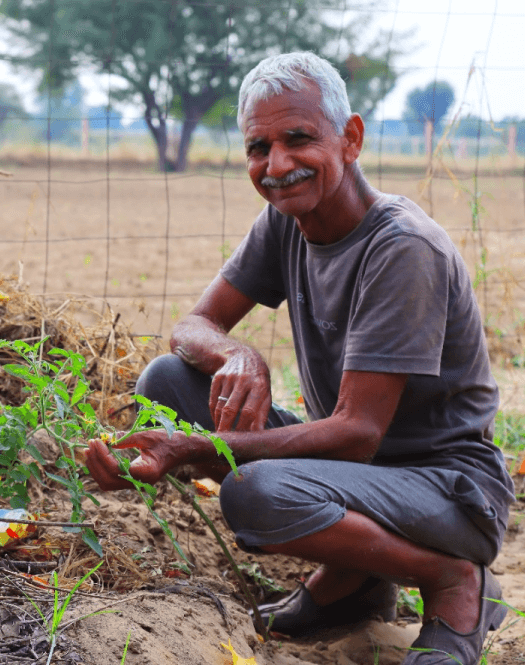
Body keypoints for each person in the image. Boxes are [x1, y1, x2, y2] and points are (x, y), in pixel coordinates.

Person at [86, 52, 515, 664]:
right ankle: (360, 577)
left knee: (253, 492)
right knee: (170, 382)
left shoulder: (403, 249)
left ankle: (450, 581)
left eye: (298, 139)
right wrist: (239, 354)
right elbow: (192, 327)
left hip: (448, 492)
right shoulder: (287, 219)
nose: (278, 165)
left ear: (351, 139)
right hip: (360, 477)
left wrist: (194, 450)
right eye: (259, 147)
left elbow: (356, 436)